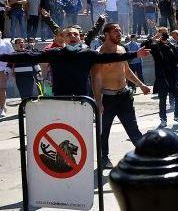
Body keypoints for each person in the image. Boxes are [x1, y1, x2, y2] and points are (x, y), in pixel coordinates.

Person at [0, 26, 150, 96]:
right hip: (61, 100)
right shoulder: (54, 53)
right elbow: (27, 56)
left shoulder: (87, 54)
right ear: (63, 39)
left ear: (80, 38)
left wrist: (135, 54)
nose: (72, 36)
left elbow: (110, 57)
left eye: (75, 34)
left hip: (82, 101)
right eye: (68, 35)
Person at [91, 23, 150, 169]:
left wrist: (140, 84)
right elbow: (96, 80)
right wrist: (98, 102)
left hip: (124, 96)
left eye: (119, 30)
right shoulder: (98, 54)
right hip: (107, 99)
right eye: (115, 31)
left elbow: (127, 71)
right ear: (106, 34)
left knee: (133, 130)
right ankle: (104, 158)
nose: (119, 32)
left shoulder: (122, 49)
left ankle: (146, 157)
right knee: (104, 132)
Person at [142, 27, 178, 128]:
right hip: (162, 77)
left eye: (166, 33)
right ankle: (163, 119)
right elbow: (143, 46)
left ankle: (177, 116)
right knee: (162, 99)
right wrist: (155, 37)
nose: (165, 35)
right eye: (163, 33)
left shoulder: (172, 45)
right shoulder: (155, 46)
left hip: (174, 76)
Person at [0, 31, 13, 116]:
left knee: (2, 89)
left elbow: (12, 56)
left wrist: (8, 68)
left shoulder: (6, 43)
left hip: (2, 70)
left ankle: (2, 108)